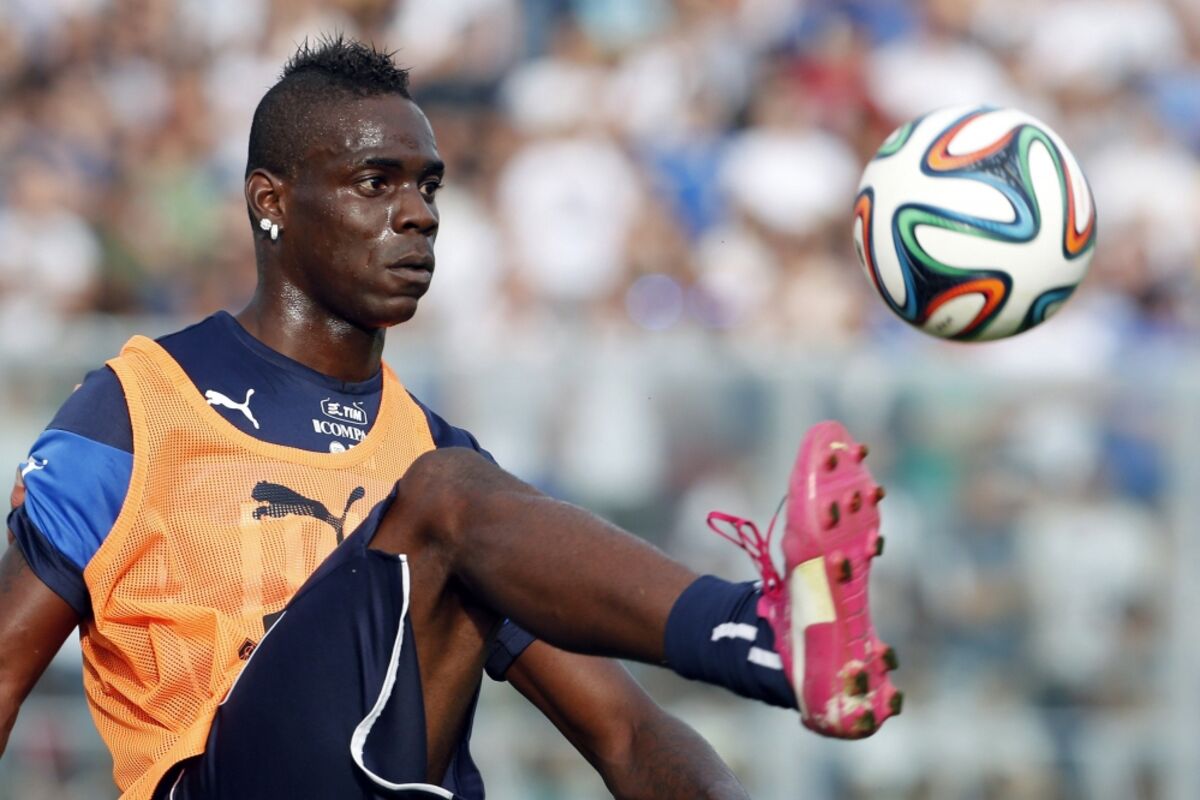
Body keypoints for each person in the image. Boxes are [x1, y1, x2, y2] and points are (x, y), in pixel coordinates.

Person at [0, 37, 899, 800]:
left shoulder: (441, 466)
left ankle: (773, 637)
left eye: (428, 186)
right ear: (271, 201)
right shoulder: (137, 406)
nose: (419, 214)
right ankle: (760, 628)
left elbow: (627, 733)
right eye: (375, 182)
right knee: (444, 494)